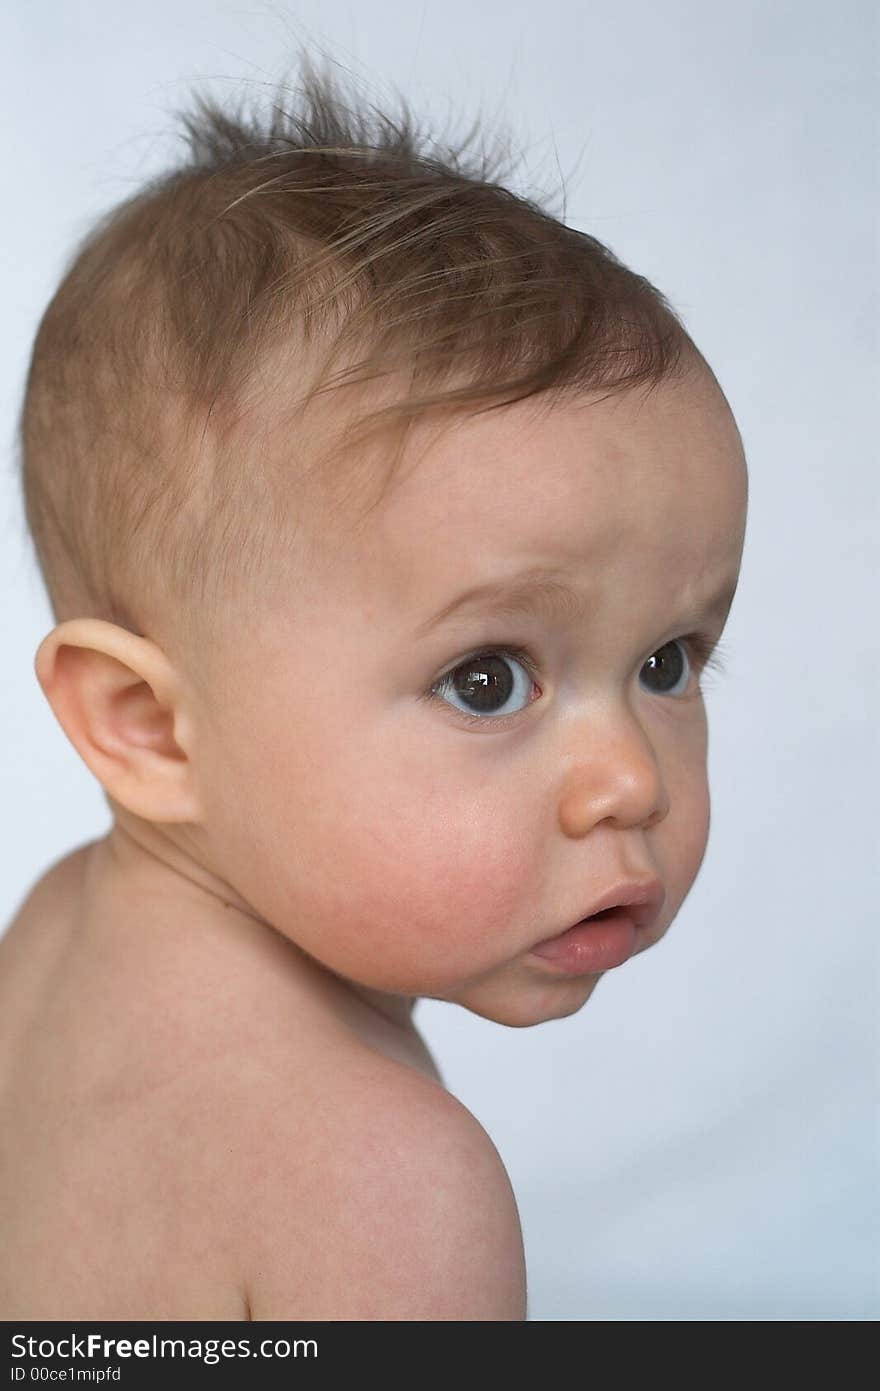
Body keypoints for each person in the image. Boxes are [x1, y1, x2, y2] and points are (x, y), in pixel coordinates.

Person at [0, 49, 748, 1320]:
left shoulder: (55, 933)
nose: (630, 778)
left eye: (666, 661)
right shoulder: (388, 1182)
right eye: (485, 678)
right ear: (149, 728)